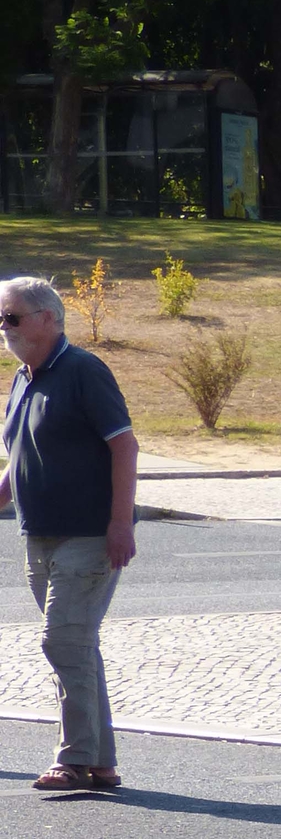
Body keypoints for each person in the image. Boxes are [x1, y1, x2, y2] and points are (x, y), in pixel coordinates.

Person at [0, 276, 136, 792]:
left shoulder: (83, 371)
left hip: (89, 535)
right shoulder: (22, 378)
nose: (3, 328)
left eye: (12, 317)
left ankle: (74, 758)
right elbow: (19, 457)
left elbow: (124, 446)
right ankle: (101, 763)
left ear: (48, 319)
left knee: (62, 640)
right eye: (1, 318)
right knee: (76, 645)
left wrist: (119, 523)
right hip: (39, 536)